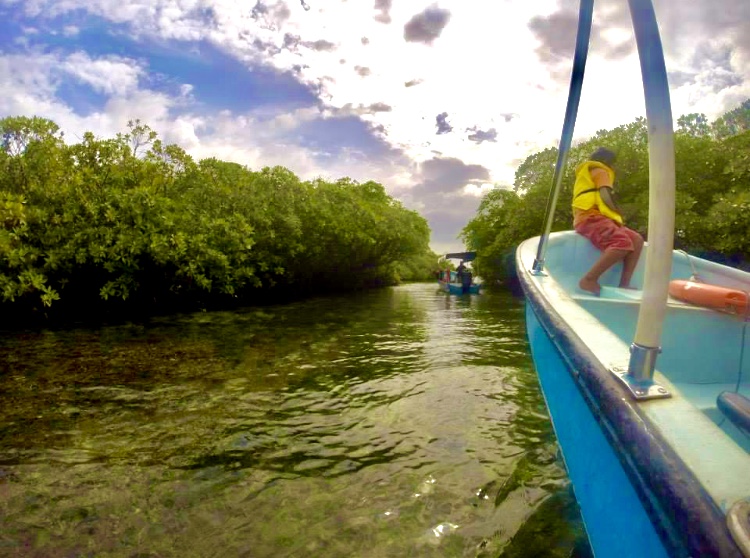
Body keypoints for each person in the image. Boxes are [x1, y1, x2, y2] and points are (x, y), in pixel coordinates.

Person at [572, 147, 644, 296]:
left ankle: (624, 285)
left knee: (636, 240)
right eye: (614, 163)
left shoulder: (589, 172)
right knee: (622, 244)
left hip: (598, 218)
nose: (614, 167)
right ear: (607, 161)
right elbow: (605, 195)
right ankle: (588, 280)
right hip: (591, 217)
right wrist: (617, 211)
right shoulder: (601, 172)